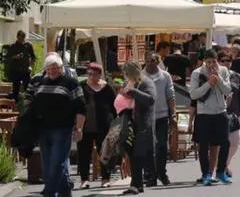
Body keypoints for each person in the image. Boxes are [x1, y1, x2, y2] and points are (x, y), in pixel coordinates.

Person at [28, 53, 86, 197]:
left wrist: (79, 128)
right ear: (45, 69)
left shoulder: (70, 83)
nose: (52, 71)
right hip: (43, 129)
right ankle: (65, 191)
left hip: (62, 129)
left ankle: (49, 192)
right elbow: (31, 104)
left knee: (57, 161)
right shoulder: (40, 82)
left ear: (61, 68)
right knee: (47, 164)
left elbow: (81, 107)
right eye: (49, 68)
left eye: (55, 68)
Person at [188, 49, 232, 185]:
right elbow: (193, 95)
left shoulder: (223, 71)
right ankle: (206, 174)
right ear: (204, 62)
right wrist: (208, 84)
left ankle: (220, 172)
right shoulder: (197, 73)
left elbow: (228, 90)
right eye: (208, 62)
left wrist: (218, 80)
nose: (211, 65)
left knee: (225, 142)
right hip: (204, 114)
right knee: (204, 145)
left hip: (220, 111)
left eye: (214, 62)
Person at [115, 61, 156, 195]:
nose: (125, 76)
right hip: (132, 123)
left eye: (126, 73)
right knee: (133, 155)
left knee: (138, 154)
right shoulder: (132, 83)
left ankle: (139, 183)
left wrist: (134, 92)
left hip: (143, 123)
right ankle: (136, 184)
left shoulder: (146, 82)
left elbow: (151, 99)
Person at [77, 62, 117, 190]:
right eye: (89, 74)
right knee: (84, 153)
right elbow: (77, 105)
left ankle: (105, 178)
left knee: (104, 152)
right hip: (85, 125)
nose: (92, 77)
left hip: (104, 125)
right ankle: (84, 180)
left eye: (95, 74)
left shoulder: (107, 88)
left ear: (100, 74)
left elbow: (115, 106)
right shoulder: (82, 87)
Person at [143, 53, 176, 187]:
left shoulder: (165, 76)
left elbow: (171, 95)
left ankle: (162, 173)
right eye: (148, 60)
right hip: (146, 117)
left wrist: (173, 114)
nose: (151, 63)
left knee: (162, 146)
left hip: (162, 116)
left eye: (154, 60)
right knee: (148, 147)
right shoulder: (140, 76)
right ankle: (150, 175)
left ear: (158, 62)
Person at [218, 51, 240, 178]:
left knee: (235, 141)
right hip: (219, 114)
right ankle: (221, 167)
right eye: (223, 60)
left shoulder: (237, 76)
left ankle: (225, 164)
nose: (226, 63)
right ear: (218, 62)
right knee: (221, 142)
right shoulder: (215, 76)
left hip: (234, 114)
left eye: (229, 60)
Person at [5, 31, 36, 102]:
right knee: (15, 89)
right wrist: (14, 57)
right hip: (16, 71)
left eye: (23, 38)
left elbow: (33, 57)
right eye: (20, 38)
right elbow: (7, 59)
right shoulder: (12, 46)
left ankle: (27, 103)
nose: (21, 40)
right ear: (17, 37)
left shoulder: (28, 46)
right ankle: (15, 105)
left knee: (27, 88)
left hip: (26, 70)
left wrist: (30, 66)